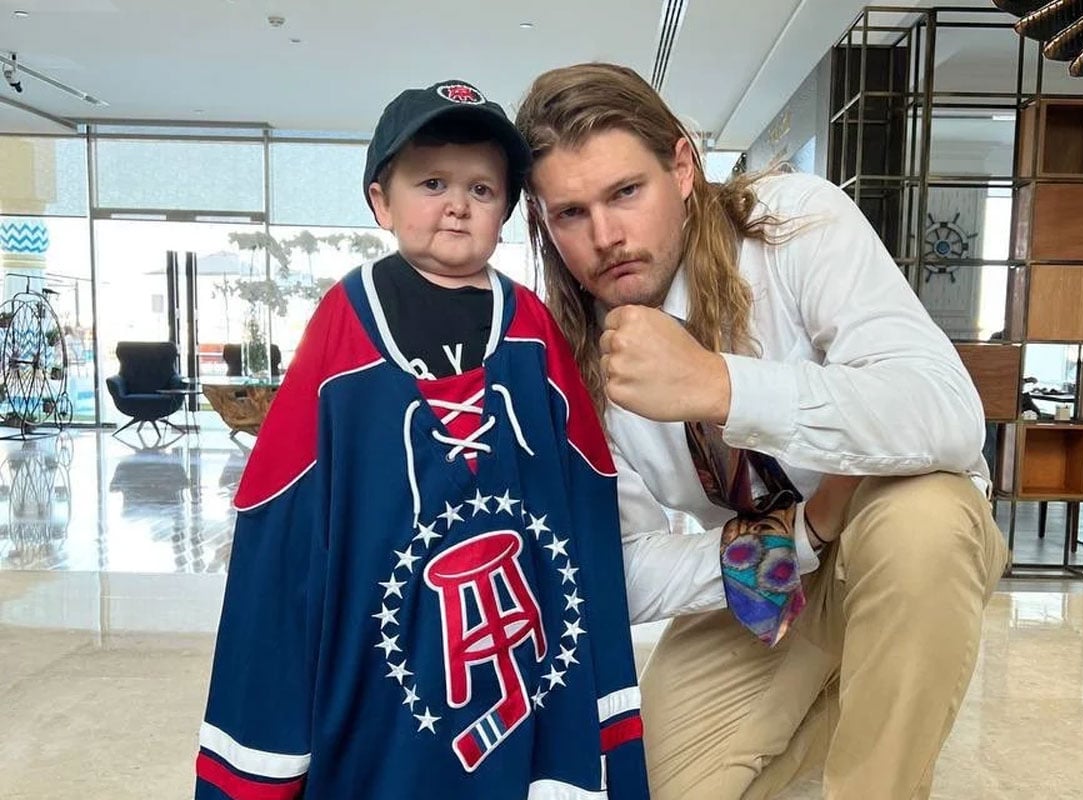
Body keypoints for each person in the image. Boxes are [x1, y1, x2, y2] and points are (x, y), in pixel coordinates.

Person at [515, 62, 1010, 800]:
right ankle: (846, 700)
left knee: (923, 525)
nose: (607, 237)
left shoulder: (792, 222)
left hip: (893, 527)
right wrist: (802, 530)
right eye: (570, 214)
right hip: (766, 572)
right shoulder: (573, 355)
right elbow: (618, 567)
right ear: (544, 224)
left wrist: (721, 385)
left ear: (682, 167)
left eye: (626, 192)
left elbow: (947, 411)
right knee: (652, 787)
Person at [194, 80, 649, 800]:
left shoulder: (534, 333)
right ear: (381, 200)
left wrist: (597, 712)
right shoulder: (341, 331)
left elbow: (587, 506)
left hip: (521, 661)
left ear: (507, 210)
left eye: (482, 186)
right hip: (376, 669)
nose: (457, 203)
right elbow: (279, 524)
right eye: (431, 181)